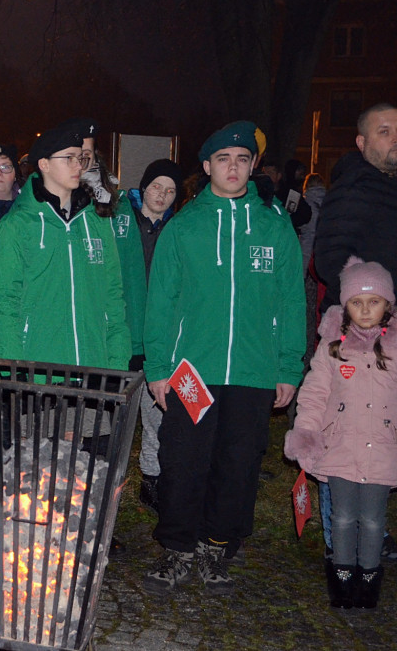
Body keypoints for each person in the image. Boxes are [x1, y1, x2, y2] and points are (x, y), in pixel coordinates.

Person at [142, 122, 304, 595]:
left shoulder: (275, 228)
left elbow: (293, 301)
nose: (233, 168)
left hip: (254, 372)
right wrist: (158, 369)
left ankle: (216, 548)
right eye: (223, 160)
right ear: (208, 166)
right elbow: (162, 301)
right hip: (193, 373)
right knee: (184, 462)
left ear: (252, 167)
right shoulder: (185, 226)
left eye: (242, 159)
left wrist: (289, 366)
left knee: (238, 464)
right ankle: (178, 550)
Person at [284, 257, 396, 609]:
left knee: (375, 519)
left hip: (382, 449)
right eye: (356, 303)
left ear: (387, 305)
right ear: (345, 306)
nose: (365, 310)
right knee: (344, 516)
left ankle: (368, 579)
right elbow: (315, 395)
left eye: (374, 302)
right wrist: (306, 433)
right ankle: (342, 578)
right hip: (340, 447)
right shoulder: (333, 348)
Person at [0, 121, 129, 371]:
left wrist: (118, 361)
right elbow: (4, 301)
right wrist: (14, 368)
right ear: (44, 164)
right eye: (69, 158)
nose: (78, 165)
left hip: (94, 369)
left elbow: (113, 296)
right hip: (41, 373)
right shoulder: (17, 225)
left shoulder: (96, 222)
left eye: (81, 158)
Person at [115, 159, 184, 512]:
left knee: (159, 414)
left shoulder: (177, 228)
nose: (162, 195)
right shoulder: (117, 218)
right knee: (117, 417)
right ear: (143, 187)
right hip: (122, 336)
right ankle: (110, 480)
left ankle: (152, 479)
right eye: (157, 186)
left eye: (170, 190)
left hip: (160, 339)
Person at [315, 103, 397, 312]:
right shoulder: (352, 189)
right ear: (362, 143)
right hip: (363, 327)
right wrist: (371, 303)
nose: (395, 139)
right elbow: (330, 261)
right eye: (384, 132)